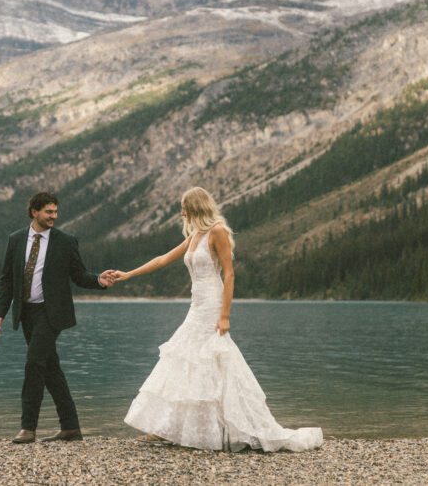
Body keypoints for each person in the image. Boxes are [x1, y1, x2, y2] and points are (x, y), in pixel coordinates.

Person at [110, 186, 323, 452]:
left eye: (183, 206)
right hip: (196, 304)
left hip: (212, 305)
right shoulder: (195, 235)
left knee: (211, 360)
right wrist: (128, 274)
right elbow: (163, 259)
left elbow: (230, 274)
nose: (181, 211)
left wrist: (224, 316)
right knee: (186, 361)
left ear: (195, 206)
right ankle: (173, 428)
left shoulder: (217, 232)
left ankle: (219, 429)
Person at [0, 191, 115, 444]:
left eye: (56, 212)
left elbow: (79, 275)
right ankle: (70, 427)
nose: (54, 216)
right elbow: (7, 280)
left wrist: (99, 280)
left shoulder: (65, 241)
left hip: (52, 313)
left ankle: (28, 428)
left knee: (34, 362)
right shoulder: (15, 240)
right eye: (49, 212)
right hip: (26, 313)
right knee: (50, 369)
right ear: (34, 212)